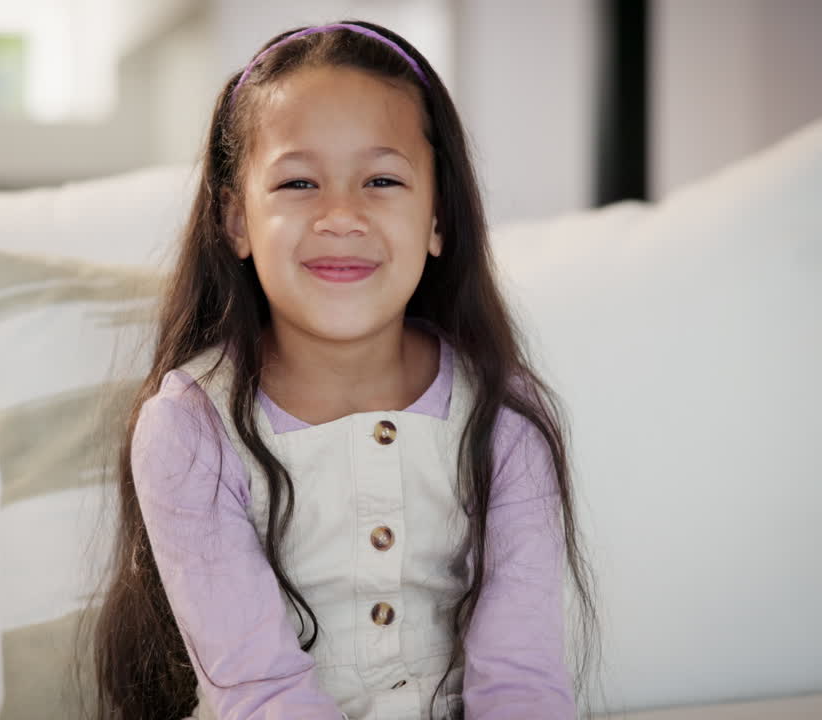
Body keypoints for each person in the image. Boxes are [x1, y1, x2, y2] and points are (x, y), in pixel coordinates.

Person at [91, 20, 599, 720]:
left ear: (437, 219)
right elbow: (259, 691)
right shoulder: (187, 427)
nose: (340, 215)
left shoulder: (503, 415)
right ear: (236, 220)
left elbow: (522, 680)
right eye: (299, 182)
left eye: (382, 180)